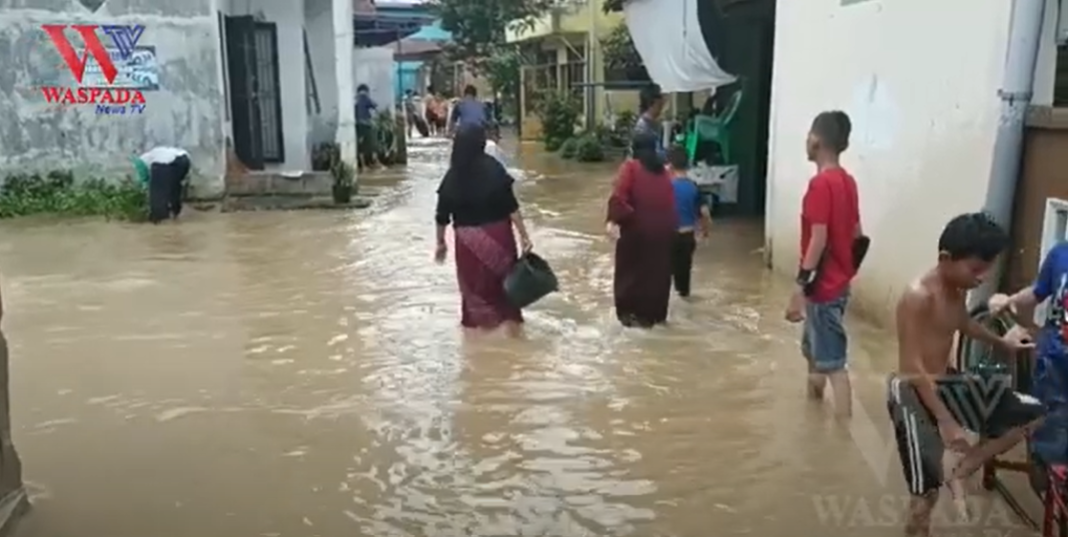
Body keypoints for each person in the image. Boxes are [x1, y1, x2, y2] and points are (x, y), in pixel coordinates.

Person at [887, 213, 1043, 535]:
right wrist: (947, 421)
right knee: (924, 497)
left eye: (986, 269)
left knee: (1033, 414)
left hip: (945, 383)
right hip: (911, 394)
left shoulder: (958, 288)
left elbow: (963, 323)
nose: (983, 277)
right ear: (945, 259)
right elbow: (911, 367)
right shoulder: (918, 296)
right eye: (976, 269)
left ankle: (965, 468)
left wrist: (1002, 343)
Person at [784, 111, 860, 418]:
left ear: (816, 141)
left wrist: (799, 287)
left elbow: (818, 239)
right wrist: (846, 273)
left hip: (822, 288)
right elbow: (858, 234)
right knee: (815, 356)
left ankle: (842, 436)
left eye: (807, 136)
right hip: (836, 286)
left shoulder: (820, 185)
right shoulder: (848, 182)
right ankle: (812, 417)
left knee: (833, 365)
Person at [434, 124, 533, 336]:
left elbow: (442, 215)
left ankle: (475, 347)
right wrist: (524, 236)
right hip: (500, 238)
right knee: (505, 292)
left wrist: (440, 243)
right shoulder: (494, 168)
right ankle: (515, 344)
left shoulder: (453, 175)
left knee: (474, 295)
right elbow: (511, 206)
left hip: (468, 243)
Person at [988, 242, 1068, 477]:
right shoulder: (1060, 254)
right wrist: (1008, 301)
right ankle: (1047, 475)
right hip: (1055, 362)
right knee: (1052, 427)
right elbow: (1036, 293)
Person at [606, 131, 678, 327]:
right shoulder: (664, 172)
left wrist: (613, 220)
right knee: (658, 275)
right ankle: (655, 319)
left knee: (630, 276)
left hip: (638, 233)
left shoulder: (630, 168)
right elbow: (670, 204)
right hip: (665, 234)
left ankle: (630, 319)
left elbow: (619, 198)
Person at [667, 147, 710, 298]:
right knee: (683, 279)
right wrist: (705, 232)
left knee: (663, 277)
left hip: (667, 237)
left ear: (669, 166)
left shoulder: (665, 187)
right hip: (687, 237)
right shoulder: (694, 187)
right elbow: (704, 213)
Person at [137, 146, 190, 223]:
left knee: (157, 190)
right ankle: (175, 211)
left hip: (167, 162)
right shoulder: (156, 152)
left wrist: (144, 185)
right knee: (174, 186)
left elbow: (144, 175)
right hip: (185, 160)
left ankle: (159, 217)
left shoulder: (143, 159)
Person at [634, 84, 666, 158]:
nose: (662, 106)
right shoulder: (642, 128)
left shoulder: (653, 123)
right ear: (651, 103)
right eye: (660, 105)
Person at [355, 84, 378, 169]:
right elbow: (375, 105)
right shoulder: (365, 98)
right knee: (372, 145)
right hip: (366, 125)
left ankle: (363, 165)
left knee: (360, 146)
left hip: (358, 125)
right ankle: (374, 162)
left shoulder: (356, 100)